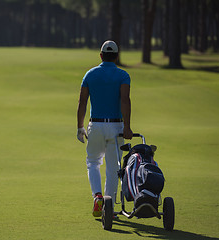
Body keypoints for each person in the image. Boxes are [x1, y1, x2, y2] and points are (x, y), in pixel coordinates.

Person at [76, 40, 133, 217]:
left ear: (101, 55)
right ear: (116, 56)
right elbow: (125, 100)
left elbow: (82, 102)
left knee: (93, 162)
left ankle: (98, 196)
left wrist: (80, 127)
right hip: (116, 125)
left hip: (96, 124)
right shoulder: (123, 75)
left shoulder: (90, 74)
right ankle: (109, 208)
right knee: (113, 168)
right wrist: (128, 127)